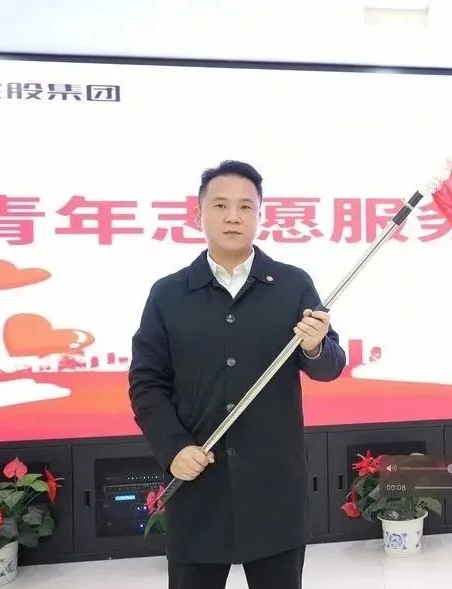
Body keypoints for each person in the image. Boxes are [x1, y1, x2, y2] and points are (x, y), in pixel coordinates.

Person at [129, 160, 346, 589]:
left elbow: (330, 366)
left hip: (273, 488)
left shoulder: (292, 285)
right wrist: (174, 449)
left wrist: (315, 346)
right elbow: (147, 383)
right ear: (198, 214)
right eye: (221, 205)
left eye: (246, 207)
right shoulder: (168, 294)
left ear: (260, 216)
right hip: (197, 483)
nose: (233, 216)